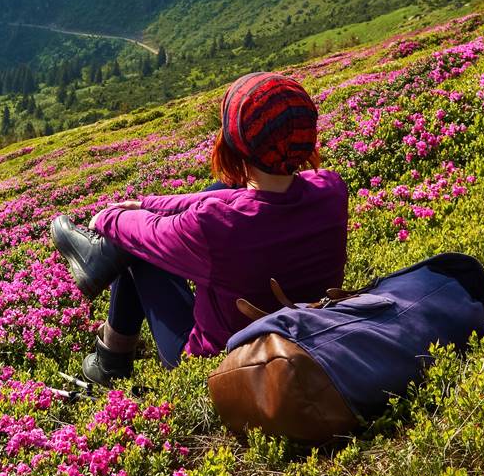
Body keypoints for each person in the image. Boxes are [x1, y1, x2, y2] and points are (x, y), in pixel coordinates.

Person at [50, 71, 347, 384]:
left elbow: (144, 233)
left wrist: (106, 218)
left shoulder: (219, 226)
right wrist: (150, 204)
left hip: (225, 362)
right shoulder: (331, 190)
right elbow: (231, 200)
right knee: (223, 187)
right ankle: (100, 268)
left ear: (235, 145)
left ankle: (111, 358)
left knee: (135, 250)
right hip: (299, 330)